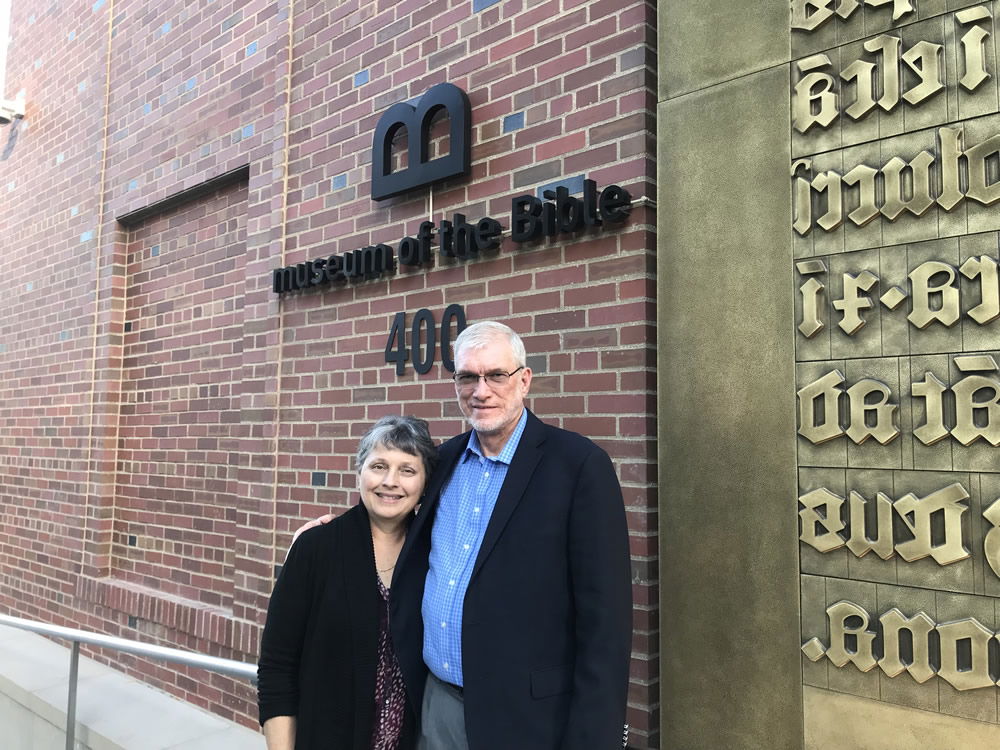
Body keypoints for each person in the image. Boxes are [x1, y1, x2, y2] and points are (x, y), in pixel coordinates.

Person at [390, 321, 632, 750]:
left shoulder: (578, 466)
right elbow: (390, 518)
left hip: (530, 718)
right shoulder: (441, 462)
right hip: (438, 705)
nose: (481, 390)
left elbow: (606, 623)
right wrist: (326, 537)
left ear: (523, 381)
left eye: (495, 375)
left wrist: (594, 737)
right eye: (468, 376)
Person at [257, 415, 438, 750]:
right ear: (359, 473)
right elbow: (276, 668)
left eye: (407, 470)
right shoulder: (316, 548)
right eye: (379, 466)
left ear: (425, 483)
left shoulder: (435, 555)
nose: (390, 481)